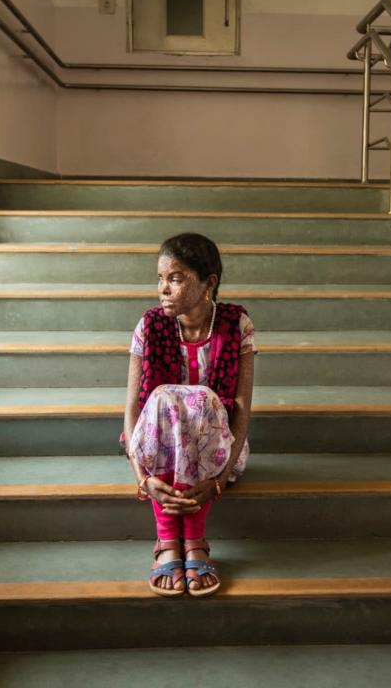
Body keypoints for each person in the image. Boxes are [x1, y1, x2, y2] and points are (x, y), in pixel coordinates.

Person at [123, 233, 255, 597]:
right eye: (160, 279)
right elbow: (133, 408)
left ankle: (191, 539)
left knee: (202, 399)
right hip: (157, 457)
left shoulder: (236, 325)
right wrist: (141, 479)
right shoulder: (149, 326)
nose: (163, 289)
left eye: (176, 278)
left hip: (218, 452)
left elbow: (242, 408)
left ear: (208, 283)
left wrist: (219, 479)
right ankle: (170, 541)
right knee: (164, 397)